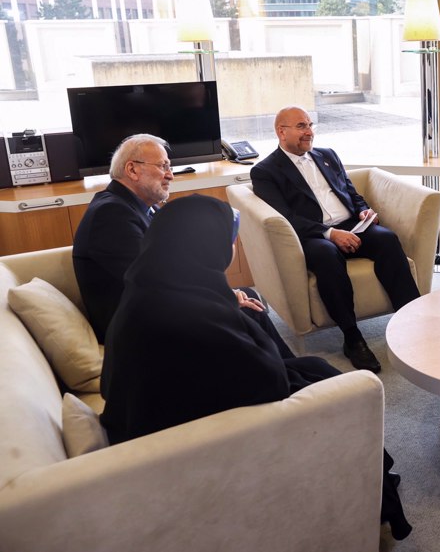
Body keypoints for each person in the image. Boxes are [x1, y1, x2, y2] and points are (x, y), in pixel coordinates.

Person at [99, 195, 412, 540]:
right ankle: (371, 490)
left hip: (165, 415)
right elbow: (270, 383)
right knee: (327, 375)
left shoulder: (149, 288)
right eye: (230, 240)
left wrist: (233, 306)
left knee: (279, 335)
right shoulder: (193, 324)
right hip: (204, 443)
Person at [72, 134, 293, 359]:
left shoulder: (137, 207)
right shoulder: (111, 215)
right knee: (246, 311)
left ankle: (292, 377)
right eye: (163, 166)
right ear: (132, 170)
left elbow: (172, 265)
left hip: (156, 311)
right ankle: (290, 383)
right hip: (141, 329)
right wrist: (218, 299)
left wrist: (222, 293)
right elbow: (154, 280)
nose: (170, 175)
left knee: (245, 298)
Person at [250, 106, 419, 373]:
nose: (310, 132)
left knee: (387, 239)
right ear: (281, 132)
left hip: (353, 224)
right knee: (327, 257)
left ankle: (412, 320)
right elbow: (286, 216)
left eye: (310, 125)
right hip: (312, 235)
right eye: (301, 126)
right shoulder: (265, 171)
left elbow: (350, 192)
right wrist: (330, 234)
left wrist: (363, 209)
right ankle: (352, 338)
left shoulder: (327, 155)